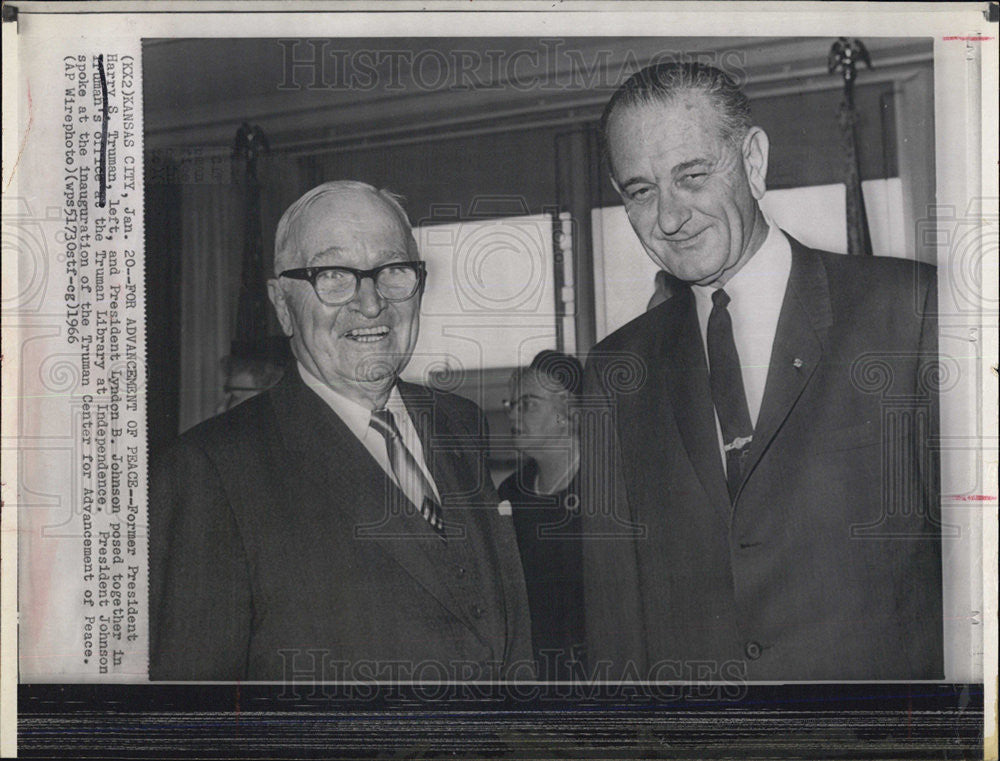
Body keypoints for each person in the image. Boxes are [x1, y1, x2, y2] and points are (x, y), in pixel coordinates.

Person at [581, 62, 942, 681]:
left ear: (753, 160)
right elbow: (616, 621)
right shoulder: (617, 369)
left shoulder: (907, 310)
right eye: (641, 191)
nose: (669, 218)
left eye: (692, 176)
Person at [150, 181, 533, 681]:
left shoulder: (458, 422)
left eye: (393, 271)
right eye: (333, 276)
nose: (371, 304)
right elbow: (195, 714)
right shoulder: (207, 472)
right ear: (283, 304)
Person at [498, 350, 586, 680]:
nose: (514, 416)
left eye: (529, 404)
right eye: (512, 405)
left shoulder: (605, 489)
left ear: (567, 413)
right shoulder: (510, 494)